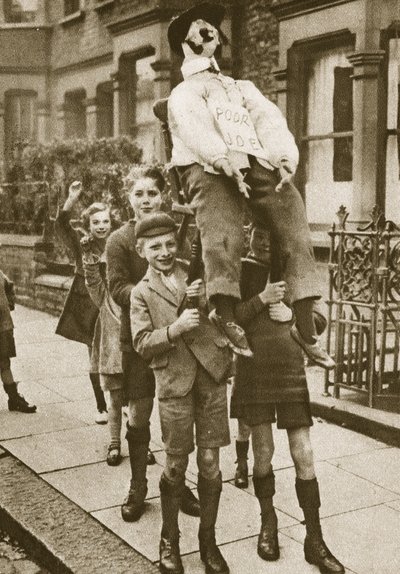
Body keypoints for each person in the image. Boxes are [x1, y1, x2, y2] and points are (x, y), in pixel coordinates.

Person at [167, 2, 334, 369]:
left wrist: (285, 157)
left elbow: (267, 119)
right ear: (185, 41)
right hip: (205, 165)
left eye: (211, 26)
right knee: (222, 220)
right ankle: (224, 311)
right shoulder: (185, 92)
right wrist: (220, 159)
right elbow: (193, 127)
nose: (209, 31)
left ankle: (305, 323)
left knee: (289, 204)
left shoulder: (239, 86)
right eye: (198, 28)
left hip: (251, 160)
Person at [231, 224, 344, 574]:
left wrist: (294, 315)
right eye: (259, 233)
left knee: (304, 452)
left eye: (273, 234)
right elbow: (227, 319)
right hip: (255, 372)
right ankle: (268, 521)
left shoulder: (294, 271)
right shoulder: (241, 271)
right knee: (262, 451)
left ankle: (315, 538)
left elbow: (320, 318)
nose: (265, 239)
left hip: (290, 372)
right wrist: (261, 300)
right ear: (249, 233)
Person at [130, 212, 232, 574]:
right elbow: (142, 343)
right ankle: (169, 538)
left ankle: (208, 542)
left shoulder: (196, 271)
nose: (164, 251)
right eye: (155, 246)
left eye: (170, 244)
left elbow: (221, 312)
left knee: (210, 462)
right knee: (175, 464)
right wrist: (174, 328)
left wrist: (205, 302)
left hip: (210, 377)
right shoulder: (141, 292)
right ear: (142, 250)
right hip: (174, 383)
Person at [106, 166, 199, 522]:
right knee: (141, 411)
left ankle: (178, 481)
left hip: (179, 340)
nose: (146, 200)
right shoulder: (119, 240)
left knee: (177, 414)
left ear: (163, 196)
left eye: (152, 193)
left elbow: (188, 274)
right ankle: (138, 485)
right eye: (138, 194)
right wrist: (153, 300)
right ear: (128, 199)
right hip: (141, 339)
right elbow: (117, 288)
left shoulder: (176, 235)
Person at [55, 181, 108, 424]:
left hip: (111, 298)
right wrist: (71, 199)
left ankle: (123, 401)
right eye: (96, 222)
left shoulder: (115, 241)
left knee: (119, 351)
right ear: (88, 225)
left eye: (105, 221)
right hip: (86, 300)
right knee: (94, 353)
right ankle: (101, 406)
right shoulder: (81, 241)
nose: (101, 226)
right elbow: (61, 225)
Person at [81, 220, 124, 466]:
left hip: (136, 355)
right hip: (113, 357)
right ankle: (115, 442)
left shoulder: (135, 294)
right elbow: (92, 281)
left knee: (140, 406)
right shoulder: (104, 297)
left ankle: (141, 442)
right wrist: (88, 256)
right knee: (115, 402)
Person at [0, 269, 36, 413]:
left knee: (4, 362)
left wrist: (9, 303)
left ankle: (14, 398)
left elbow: (9, 285)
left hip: (3, 326)